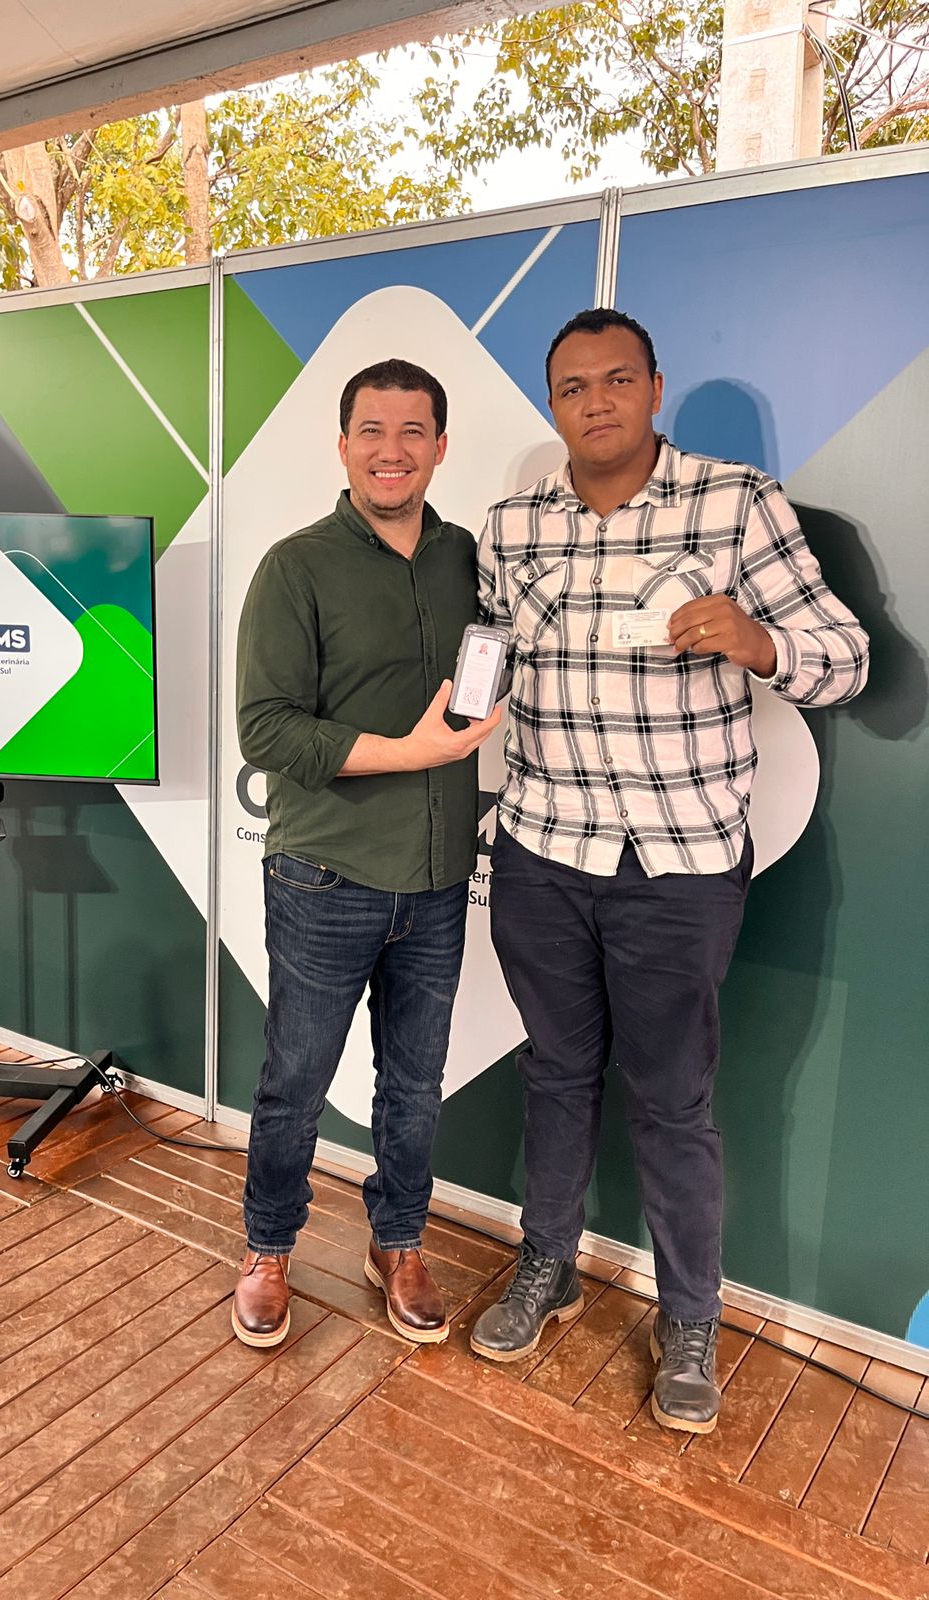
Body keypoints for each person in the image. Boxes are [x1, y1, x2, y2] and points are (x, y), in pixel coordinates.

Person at [470, 309, 868, 1433]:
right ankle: (547, 1265)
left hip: (679, 862)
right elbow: (484, 654)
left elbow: (848, 656)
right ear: (553, 405)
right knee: (555, 1074)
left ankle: (692, 1317)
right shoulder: (512, 526)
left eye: (615, 380)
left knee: (674, 1100)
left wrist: (759, 642)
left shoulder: (735, 504)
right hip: (542, 848)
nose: (594, 403)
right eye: (572, 388)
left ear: (654, 388)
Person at [233, 357, 501, 1349]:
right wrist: (410, 752)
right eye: (374, 432)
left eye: (413, 431)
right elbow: (265, 728)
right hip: (325, 876)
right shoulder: (295, 566)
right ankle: (268, 1249)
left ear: (440, 445)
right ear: (344, 446)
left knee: (414, 1084)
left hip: (437, 879)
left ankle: (399, 1242)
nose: (394, 451)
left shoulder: (468, 556)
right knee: (295, 1081)